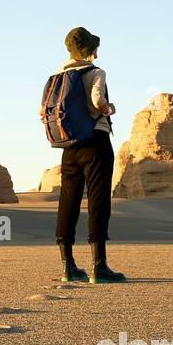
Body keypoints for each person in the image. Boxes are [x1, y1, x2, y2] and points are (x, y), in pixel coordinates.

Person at [55, 27, 126, 284]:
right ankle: (99, 267)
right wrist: (109, 108)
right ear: (90, 50)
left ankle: (68, 267)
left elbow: (47, 110)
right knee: (98, 201)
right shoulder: (96, 72)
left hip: (69, 145)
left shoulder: (59, 76)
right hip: (95, 142)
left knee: (68, 201)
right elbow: (98, 100)